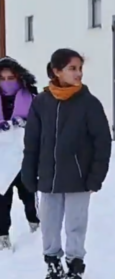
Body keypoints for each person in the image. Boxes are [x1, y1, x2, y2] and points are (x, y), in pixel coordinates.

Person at [22, 48, 112, 279]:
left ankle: (75, 269)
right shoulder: (41, 102)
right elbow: (32, 141)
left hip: (79, 179)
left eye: (80, 68)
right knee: (49, 225)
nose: (78, 73)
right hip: (48, 178)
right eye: (72, 68)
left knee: (75, 225)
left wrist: (96, 177)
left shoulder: (89, 103)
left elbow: (102, 142)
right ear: (56, 70)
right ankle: (53, 267)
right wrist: (28, 172)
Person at [0, 57, 40, 250]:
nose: (7, 82)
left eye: (11, 78)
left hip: (24, 156)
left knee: (30, 197)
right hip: (1, 159)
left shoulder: (30, 96)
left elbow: (41, 124)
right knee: (1, 201)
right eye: (3, 78)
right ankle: (2, 237)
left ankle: (37, 230)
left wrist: (23, 124)